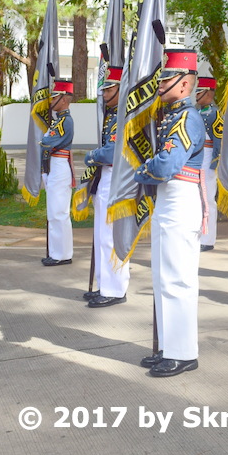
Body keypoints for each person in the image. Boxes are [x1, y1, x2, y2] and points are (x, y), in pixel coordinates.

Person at [135, 48, 206, 377]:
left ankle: (182, 352)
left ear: (186, 83)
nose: (160, 84)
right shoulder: (173, 115)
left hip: (180, 196)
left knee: (178, 277)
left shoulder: (187, 117)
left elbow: (166, 164)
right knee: (163, 277)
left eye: (167, 79)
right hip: (169, 198)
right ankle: (168, 346)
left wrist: (141, 171)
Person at [83, 66, 130, 307]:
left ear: (121, 89)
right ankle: (105, 284)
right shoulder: (110, 116)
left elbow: (112, 152)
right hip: (105, 177)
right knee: (102, 236)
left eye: (109, 87)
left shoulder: (123, 116)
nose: (104, 93)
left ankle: (115, 289)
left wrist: (91, 156)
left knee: (112, 236)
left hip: (116, 177)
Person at [40, 80, 75, 266]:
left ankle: (62, 254)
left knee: (59, 212)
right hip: (54, 166)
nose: (51, 100)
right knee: (54, 212)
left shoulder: (64, 122)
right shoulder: (58, 121)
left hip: (59, 165)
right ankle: (57, 252)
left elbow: (47, 143)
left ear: (63, 99)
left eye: (54, 96)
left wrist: (45, 138)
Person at [195, 76, 224, 252]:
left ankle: (207, 238)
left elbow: (219, 140)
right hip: (196, 158)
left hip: (207, 157)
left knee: (207, 199)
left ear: (210, 93)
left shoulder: (214, 114)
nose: (196, 94)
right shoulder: (196, 112)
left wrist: (215, 163)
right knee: (196, 198)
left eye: (200, 91)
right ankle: (198, 235)